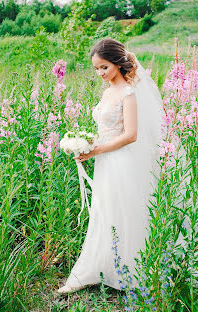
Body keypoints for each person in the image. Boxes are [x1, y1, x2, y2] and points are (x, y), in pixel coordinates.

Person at [57, 38, 164, 294]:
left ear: (117, 62)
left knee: (124, 213)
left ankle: (131, 271)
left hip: (122, 161)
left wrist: (95, 150)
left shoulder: (128, 92)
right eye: (96, 68)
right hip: (105, 159)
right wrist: (83, 144)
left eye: (104, 67)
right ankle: (94, 268)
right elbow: (106, 130)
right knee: (104, 211)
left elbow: (130, 135)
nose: (100, 73)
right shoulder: (107, 92)